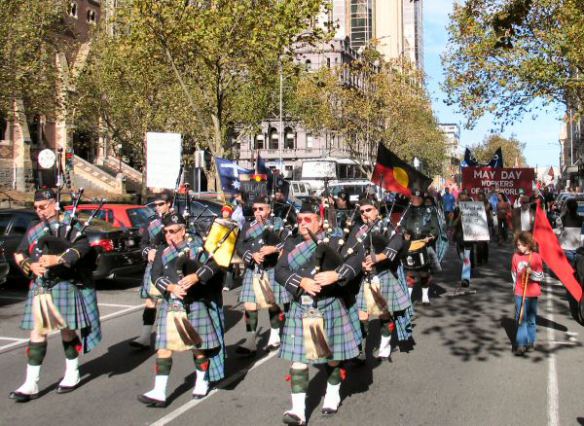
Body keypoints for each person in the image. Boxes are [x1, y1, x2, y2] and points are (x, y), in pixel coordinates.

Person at [275, 200, 363, 424]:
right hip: (301, 306)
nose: (303, 224)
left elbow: (357, 258)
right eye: (300, 219)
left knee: (332, 358)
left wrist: (338, 274)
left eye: (308, 219)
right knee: (298, 360)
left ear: (320, 221)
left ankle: (332, 394)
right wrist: (301, 281)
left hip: (328, 303)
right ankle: (298, 410)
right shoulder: (292, 242)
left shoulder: (335, 239)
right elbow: (280, 271)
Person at [10, 189, 102, 402]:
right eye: (36, 208)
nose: (39, 211)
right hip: (42, 285)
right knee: (37, 332)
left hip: (64, 283)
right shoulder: (34, 230)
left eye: (42, 207)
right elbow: (18, 253)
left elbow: (83, 247)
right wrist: (29, 264)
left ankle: (72, 373)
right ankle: (31, 382)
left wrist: (58, 259)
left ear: (54, 204)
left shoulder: (72, 225)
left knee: (67, 330)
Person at [138, 213, 226, 406]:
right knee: (163, 349)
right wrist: (170, 287)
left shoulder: (196, 248)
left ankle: (202, 380)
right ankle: (159, 391)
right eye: (166, 232)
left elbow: (214, 266)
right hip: (172, 304)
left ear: (183, 231)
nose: (169, 235)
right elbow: (155, 275)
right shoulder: (163, 251)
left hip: (194, 302)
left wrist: (196, 277)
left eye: (173, 231)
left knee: (198, 349)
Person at [356, 198, 412, 361]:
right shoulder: (358, 231)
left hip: (382, 274)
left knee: (384, 315)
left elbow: (396, 242)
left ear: (375, 211)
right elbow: (350, 252)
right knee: (362, 315)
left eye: (368, 210)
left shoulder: (385, 227)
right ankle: (360, 349)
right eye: (362, 211)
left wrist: (378, 257)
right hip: (365, 278)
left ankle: (385, 344)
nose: (365, 214)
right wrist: (360, 264)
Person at [235, 196, 288, 355]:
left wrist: (274, 248)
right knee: (249, 305)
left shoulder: (278, 223)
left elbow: (287, 242)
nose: (257, 212)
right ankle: (251, 341)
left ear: (269, 209)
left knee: (272, 304)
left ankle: (275, 335)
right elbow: (240, 246)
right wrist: (251, 255)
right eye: (255, 209)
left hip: (271, 268)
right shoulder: (247, 226)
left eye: (261, 209)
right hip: (254, 270)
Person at [130, 190, 172, 349]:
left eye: (161, 204)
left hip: (171, 264)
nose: (158, 207)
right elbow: (143, 244)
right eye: (156, 205)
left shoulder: (177, 220)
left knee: (172, 301)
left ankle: (173, 333)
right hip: (154, 264)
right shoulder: (152, 221)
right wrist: (148, 252)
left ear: (169, 204)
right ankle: (145, 336)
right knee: (150, 300)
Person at [401, 190, 439, 304]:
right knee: (410, 272)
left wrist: (431, 236)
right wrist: (404, 233)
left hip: (425, 244)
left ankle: (425, 296)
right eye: (413, 197)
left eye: (417, 198)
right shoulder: (407, 210)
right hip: (411, 244)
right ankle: (409, 298)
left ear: (422, 199)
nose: (414, 200)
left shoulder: (430, 211)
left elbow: (435, 228)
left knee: (424, 272)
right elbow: (402, 225)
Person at [511, 231, 544, 355]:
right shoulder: (515, 257)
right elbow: (514, 274)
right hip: (520, 291)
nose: (519, 247)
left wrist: (532, 273)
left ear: (528, 244)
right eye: (517, 245)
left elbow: (541, 276)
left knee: (530, 318)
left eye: (521, 245)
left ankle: (530, 341)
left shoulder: (536, 257)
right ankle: (521, 344)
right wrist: (514, 289)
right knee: (520, 317)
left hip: (532, 292)